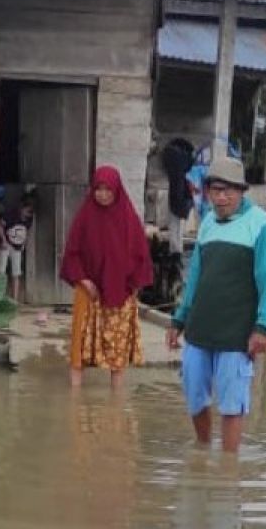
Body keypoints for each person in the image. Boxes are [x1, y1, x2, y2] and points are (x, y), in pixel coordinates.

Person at [166, 156, 266, 453]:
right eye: (215, 190)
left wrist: (264, 327)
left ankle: (228, 469)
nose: (221, 197)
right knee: (194, 392)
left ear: (242, 191)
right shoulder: (207, 224)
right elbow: (195, 277)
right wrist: (179, 319)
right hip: (201, 328)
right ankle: (203, 450)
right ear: (207, 192)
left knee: (231, 403)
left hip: (237, 333)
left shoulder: (260, 226)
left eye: (228, 190)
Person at [60, 166, 154, 388]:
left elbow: (140, 256)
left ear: (117, 190)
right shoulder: (85, 216)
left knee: (117, 352)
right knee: (79, 350)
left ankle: (116, 405)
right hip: (88, 291)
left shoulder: (129, 219)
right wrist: (83, 280)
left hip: (120, 292)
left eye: (107, 189)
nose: (102, 194)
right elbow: (72, 253)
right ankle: (75, 401)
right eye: (98, 189)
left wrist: (132, 288)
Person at [0, 193, 35, 302]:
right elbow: (0, 225)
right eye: (27, 211)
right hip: (6, 245)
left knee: (16, 273)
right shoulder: (11, 215)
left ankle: (15, 300)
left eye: (30, 212)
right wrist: (4, 241)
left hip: (17, 247)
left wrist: (23, 243)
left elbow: (26, 231)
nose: (27, 215)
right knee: (2, 272)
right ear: (21, 208)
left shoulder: (29, 219)